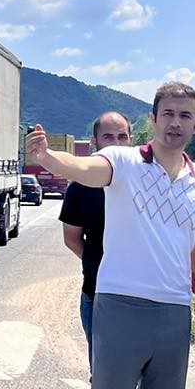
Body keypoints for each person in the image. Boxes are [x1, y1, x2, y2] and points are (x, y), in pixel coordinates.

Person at [27, 82, 195, 389]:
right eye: (168, 113)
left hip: (173, 313)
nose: (175, 122)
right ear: (152, 119)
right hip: (119, 307)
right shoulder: (122, 160)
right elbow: (83, 168)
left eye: (184, 115)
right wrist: (49, 158)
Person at [60, 111, 132, 370]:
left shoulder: (147, 181)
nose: (116, 143)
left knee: (147, 384)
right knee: (103, 379)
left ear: (131, 140)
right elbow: (71, 238)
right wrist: (101, 262)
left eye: (122, 137)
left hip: (142, 300)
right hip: (97, 296)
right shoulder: (81, 185)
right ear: (95, 142)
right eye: (108, 137)